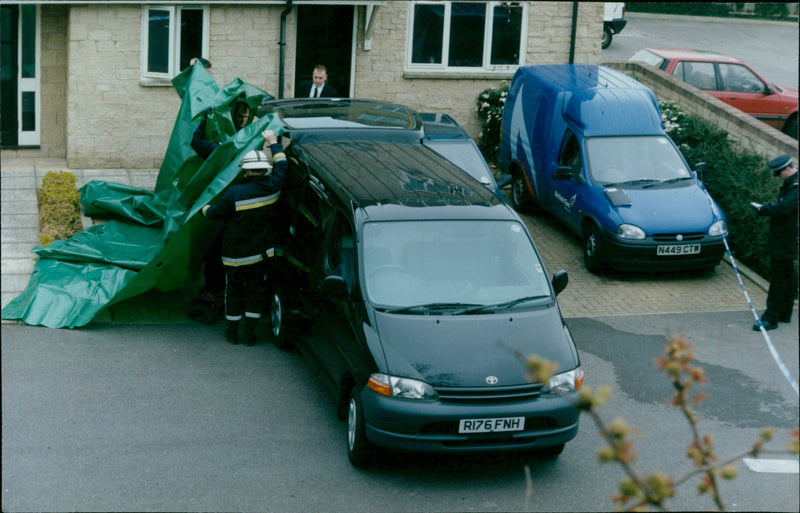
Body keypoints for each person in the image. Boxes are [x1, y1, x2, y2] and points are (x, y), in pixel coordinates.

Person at [201, 129, 288, 345]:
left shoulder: (235, 194)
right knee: (256, 293)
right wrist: (273, 143)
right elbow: (282, 166)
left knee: (234, 293)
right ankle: (250, 333)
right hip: (259, 256)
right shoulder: (273, 188)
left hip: (235, 257)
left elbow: (212, 214)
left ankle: (232, 332)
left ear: (246, 172)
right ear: (264, 170)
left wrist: (201, 208)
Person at [751, 153, 798, 331]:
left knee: (778, 279)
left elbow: (784, 209)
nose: (777, 177)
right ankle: (785, 312)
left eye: (778, 173)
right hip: (787, 238)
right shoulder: (793, 183)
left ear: (787, 169)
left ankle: (770, 318)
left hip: (785, 239)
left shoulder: (795, 187)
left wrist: (764, 209)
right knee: (787, 276)